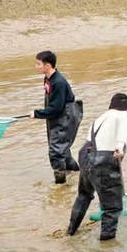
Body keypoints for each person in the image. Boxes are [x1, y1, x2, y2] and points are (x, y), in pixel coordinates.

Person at [66, 93, 127, 241]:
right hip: (103, 161)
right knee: (112, 208)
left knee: (84, 196)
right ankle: (107, 250)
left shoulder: (101, 118)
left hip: (85, 155)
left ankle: (70, 232)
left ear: (111, 105)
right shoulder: (124, 116)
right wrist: (120, 147)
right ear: (126, 107)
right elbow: (122, 135)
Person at [33, 50, 82, 184]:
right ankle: (76, 174)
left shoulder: (59, 82)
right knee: (61, 148)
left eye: (38, 64)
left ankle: (61, 185)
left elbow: (56, 108)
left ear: (47, 66)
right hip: (56, 117)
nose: (36, 67)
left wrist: (37, 114)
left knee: (56, 151)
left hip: (65, 116)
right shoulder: (48, 79)